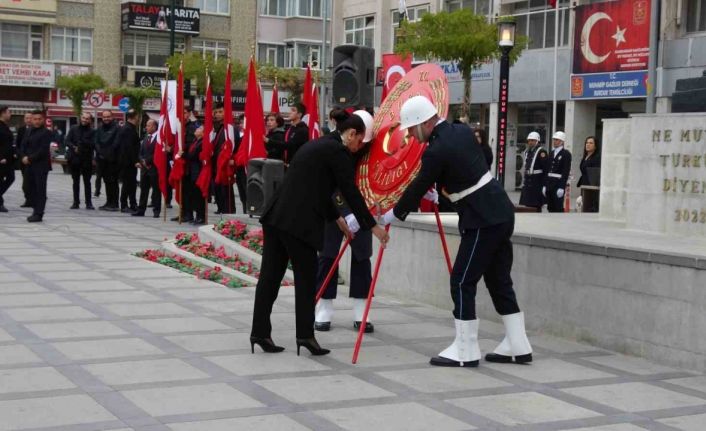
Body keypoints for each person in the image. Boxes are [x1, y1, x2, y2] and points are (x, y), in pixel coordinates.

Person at [381, 96, 532, 368]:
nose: (413, 137)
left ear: (425, 123)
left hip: (481, 218)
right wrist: (443, 191)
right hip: (499, 210)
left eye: (413, 130)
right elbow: (464, 169)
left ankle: (465, 349)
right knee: (499, 280)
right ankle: (518, 344)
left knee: (461, 281)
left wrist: (395, 213)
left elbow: (419, 183)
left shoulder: (435, 150)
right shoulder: (460, 130)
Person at [250, 114, 390, 357]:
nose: (359, 148)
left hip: (276, 217)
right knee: (306, 281)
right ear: (352, 134)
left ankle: (259, 332)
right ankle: (305, 336)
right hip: (298, 225)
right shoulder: (339, 152)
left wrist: (337, 218)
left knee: (269, 278)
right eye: (360, 142)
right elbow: (350, 192)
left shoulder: (318, 144)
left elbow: (318, 188)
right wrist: (373, 227)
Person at [315, 109, 376, 333]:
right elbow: (330, 185)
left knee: (362, 259)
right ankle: (324, 309)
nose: (360, 147)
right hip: (334, 209)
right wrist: (344, 213)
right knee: (328, 257)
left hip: (362, 209)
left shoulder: (369, 148)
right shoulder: (332, 146)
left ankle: (362, 312)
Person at [21, 110, 52, 223]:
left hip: (40, 165)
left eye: (39, 119)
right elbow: (23, 145)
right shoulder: (28, 130)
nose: (37, 121)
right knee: (27, 187)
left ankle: (38, 213)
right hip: (28, 164)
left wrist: (29, 158)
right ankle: (35, 208)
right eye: (35, 119)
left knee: (40, 189)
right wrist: (23, 156)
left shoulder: (46, 132)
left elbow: (43, 150)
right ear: (31, 120)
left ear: (43, 120)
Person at [65, 112, 96, 210]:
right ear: (80, 118)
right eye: (83, 118)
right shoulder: (73, 128)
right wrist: (74, 147)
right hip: (74, 159)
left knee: (87, 182)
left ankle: (89, 203)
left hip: (86, 159)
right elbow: (67, 141)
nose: (85, 120)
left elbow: (94, 144)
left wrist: (83, 144)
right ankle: (76, 202)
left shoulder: (93, 131)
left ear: (90, 120)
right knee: (75, 181)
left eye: (87, 118)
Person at [211, 102, 236, 214]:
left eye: (220, 112)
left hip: (226, 165)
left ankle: (228, 211)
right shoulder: (219, 128)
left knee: (226, 190)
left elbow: (236, 145)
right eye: (216, 112)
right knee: (218, 189)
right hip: (217, 164)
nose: (217, 114)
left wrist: (233, 159)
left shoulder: (230, 129)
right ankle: (221, 208)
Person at [132, 119, 161, 218]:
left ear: (154, 127)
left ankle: (156, 210)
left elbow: (158, 152)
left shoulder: (159, 138)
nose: (146, 127)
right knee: (144, 190)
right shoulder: (145, 137)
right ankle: (141, 210)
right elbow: (141, 151)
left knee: (156, 191)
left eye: (148, 125)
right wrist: (141, 160)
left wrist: (147, 161)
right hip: (144, 169)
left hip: (154, 168)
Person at [95, 111, 120, 211]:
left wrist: (107, 154)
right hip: (102, 159)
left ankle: (114, 203)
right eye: (104, 117)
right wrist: (100, 152)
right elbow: (96, 142)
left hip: (113, 160)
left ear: (112, 117)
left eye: (108, 117)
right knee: (106, 181)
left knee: (113, 181)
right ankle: (108, 202)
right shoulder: (99, 128)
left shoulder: (117, 128)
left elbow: (116, 143)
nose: (106, 119)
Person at [117, 110, 140, 213]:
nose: (139, 119)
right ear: (134, 117)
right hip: (128, 162)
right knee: (128, 184)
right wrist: (135, 161)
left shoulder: (130, 128)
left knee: (132, 184)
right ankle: (124, 205)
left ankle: (133, 203)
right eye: (138, 116)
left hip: (129, 162)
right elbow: (129, 148)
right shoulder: (127, 129)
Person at [519, 131, 548, 212]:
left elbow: (545, 169)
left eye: (532, 140)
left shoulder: (541, 152)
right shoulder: (528, 152)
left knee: (536, 205)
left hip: (537, 182)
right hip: (528, 181)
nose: (530, 142)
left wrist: (545, 184)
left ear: (537, 141)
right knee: (527, 206)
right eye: (529, 140)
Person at [543, 131, 571, 213]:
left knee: (558, 207)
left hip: (558, 183)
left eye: (557, 140)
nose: (554, 141)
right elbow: (547, 170)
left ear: (562, 141)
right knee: (550, 207)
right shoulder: (551, 153)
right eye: (554, 139)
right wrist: (545, 185)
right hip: (549, 183)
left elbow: (565, 171)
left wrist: (562, 187)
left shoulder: (566, 154)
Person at [183, 125, 205, 224]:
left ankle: (201, 216)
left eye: (199, 129)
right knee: (193, 195)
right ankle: (196, 216)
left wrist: (182, 154)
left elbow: (193, 155)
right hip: (192, 171)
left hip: (198, 171)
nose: (196, 130)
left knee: (198, 196)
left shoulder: (202, 143)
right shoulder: (195, 141)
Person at [15, 112, 33, 207]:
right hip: (23, 159)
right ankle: (28, 199)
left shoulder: (36, 130)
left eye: (30, 118)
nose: (29, 120)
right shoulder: (21, 130)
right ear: (24, 119)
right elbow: (18, 144)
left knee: (31, 181)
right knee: (25, 182)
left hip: (33, 160)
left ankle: (33, 199)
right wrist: (21, 156)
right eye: (27, 118)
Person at [0, 106, 15, 213]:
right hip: (2, 159)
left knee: (11, 177)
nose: (10, 114)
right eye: (9, 112)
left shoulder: (5, 126)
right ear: (3, 113)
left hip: (9, 159)